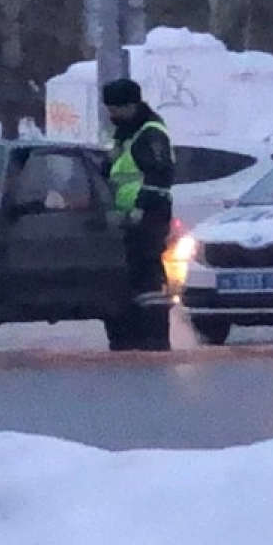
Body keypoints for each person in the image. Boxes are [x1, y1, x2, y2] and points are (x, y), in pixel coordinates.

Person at [102, 78, 176, 352]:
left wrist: (140, 209)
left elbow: (160, 176)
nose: (111, 114)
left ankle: (154, 338)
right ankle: (130, 338)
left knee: (148, 278)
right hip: (127, 218)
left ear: (130, 105)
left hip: (149, 216)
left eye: (115, 108)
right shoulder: (125, 133)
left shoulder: (150, 133)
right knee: (133, 276)